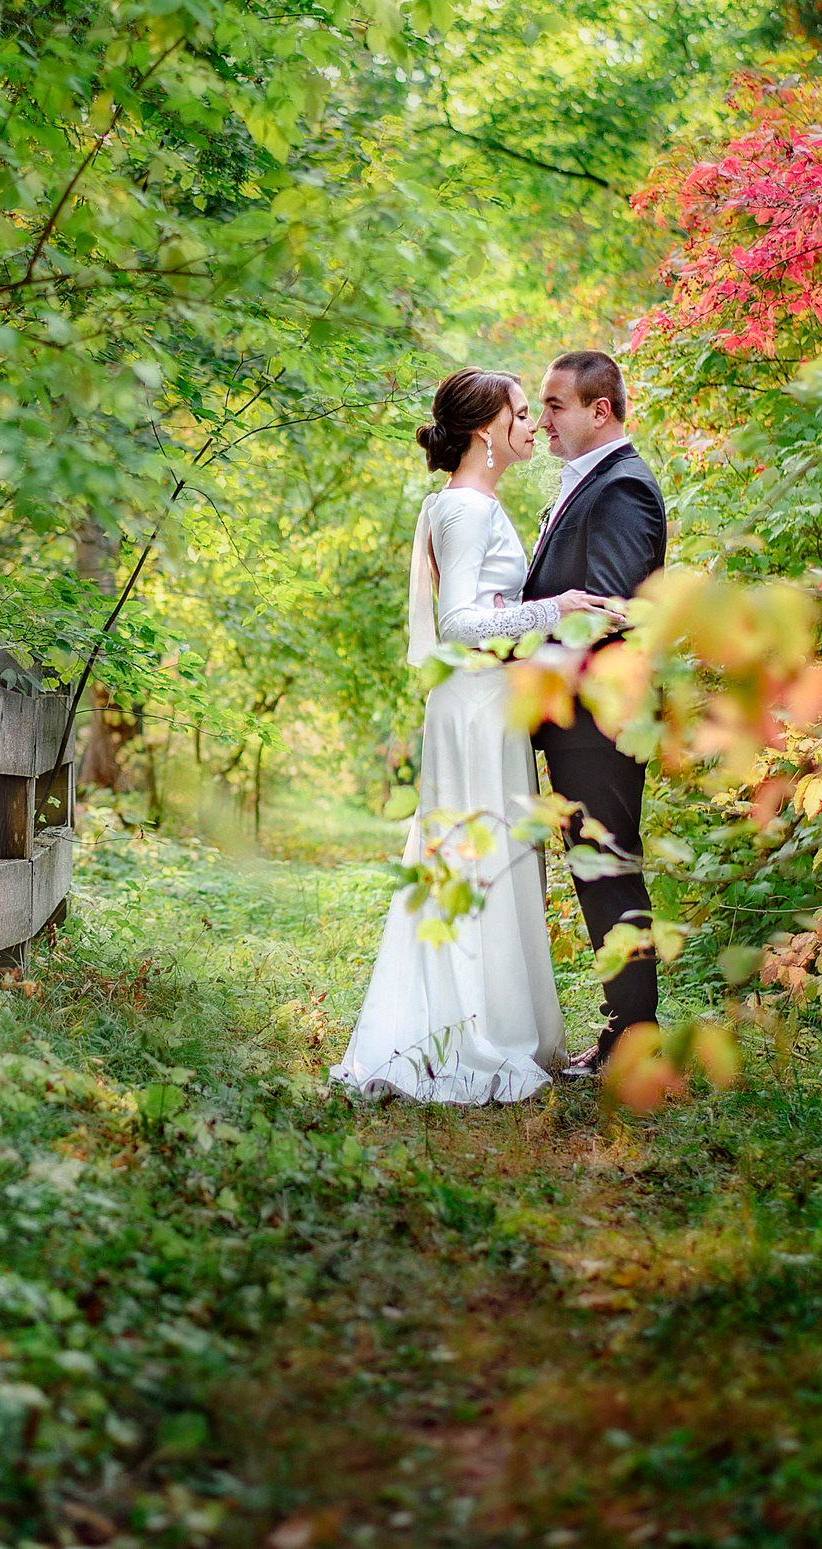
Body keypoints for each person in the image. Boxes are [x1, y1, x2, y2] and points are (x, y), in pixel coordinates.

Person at [330, 369, 623, 1104]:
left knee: (497, 855)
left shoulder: (479, 502)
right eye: (523, 414)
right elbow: (459, 622)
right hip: (473, 702)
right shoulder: (464, 508)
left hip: (492, 700)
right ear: (487, 428)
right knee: (473, 855)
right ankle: (468, 1035)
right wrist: (550, 609)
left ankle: (501, 1017)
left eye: (536, 413)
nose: (535, 426)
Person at [521, 349, 668, 1079]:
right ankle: (623, 1032)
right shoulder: (591, 483)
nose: (540, 418)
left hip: (601, 714)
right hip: (579, 715)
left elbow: (605, 611)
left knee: (608, 869)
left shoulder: (622, 489)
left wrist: (516, 662)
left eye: (553, 405)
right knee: (596, 869)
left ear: (598, 409)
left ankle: (634, 1041)